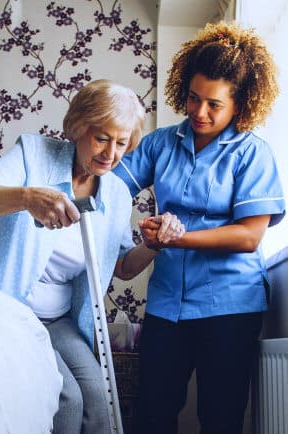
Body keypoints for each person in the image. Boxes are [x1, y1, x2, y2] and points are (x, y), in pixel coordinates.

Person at [0, 79, 185, 434]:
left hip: (58, 319)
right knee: (67, 399)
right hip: (8, 309)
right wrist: (26, 197)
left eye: (122, 143)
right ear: (80, 127)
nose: (111, 153)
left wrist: (154, 244)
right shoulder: (33, 154)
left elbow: (124, 267)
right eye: (102, 138)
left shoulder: (116, 195)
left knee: (97, 396)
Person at [113, 21, 286, 434]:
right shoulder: (160, 143)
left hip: (230, 306)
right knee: (153, 414)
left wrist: (175, 237)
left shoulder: (252, 154)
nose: (199, 112)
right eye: (192, 98)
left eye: (213, 104)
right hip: (166, 304)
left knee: (220, 419)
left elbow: (249, 236)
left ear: (240, 105)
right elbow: (109, 187)